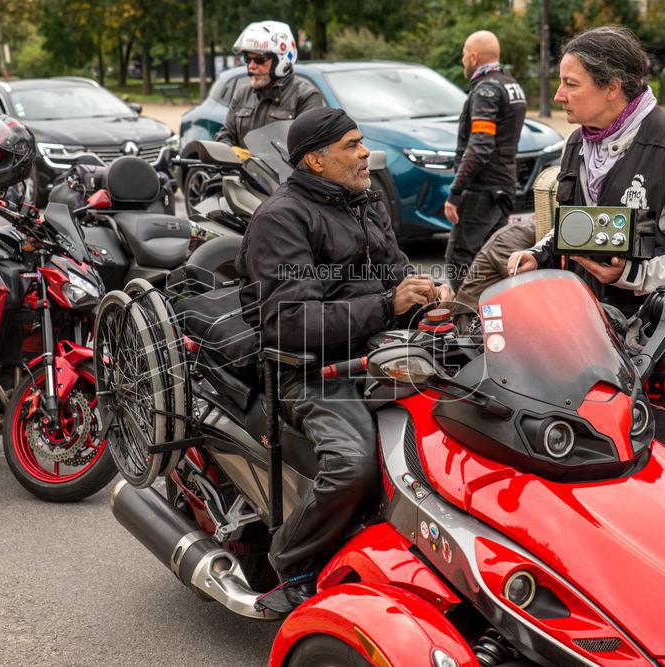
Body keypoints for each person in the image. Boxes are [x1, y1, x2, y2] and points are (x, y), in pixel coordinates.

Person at [237, 106, 452, 612]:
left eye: (362, 143)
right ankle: (290, 561)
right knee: (353, 465)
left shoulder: (363, 200)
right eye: (352, 145)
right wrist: (386, 305)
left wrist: (427, 292)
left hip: (383, 352)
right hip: (311, 368)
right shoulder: (282, 218)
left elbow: (396, 272)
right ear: (314, 160)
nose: (364, 154)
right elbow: (290, 321)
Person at [507, 26, 665, 454]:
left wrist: (633, 272)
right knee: (595, 457)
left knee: (656, 468)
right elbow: (580, 223)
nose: (558, 95)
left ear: (612, 87)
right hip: (588, 336)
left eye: (571, 84)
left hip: (659, 340)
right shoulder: (577, 143)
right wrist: (541, 253)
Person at [443, 30, 527, 291]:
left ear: (473, 57)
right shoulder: (511, 85)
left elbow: (480, 145)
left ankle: (462, 320)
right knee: (495, 256)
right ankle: (499, 313)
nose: (463, 61)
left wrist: (455, 192)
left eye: (463, 56)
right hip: (504, 185)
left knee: (459, 257)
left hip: (482, 190)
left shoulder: (486, 88)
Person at [214, 20, 324, 149]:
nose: (251, 66)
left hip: (283, 169)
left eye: (259, 60)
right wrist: (229, 151)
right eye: (248, 59)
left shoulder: (306, 96)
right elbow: (226, 135)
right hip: (243, 169)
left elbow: (308, 148)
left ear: (282, 60)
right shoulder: (242, 94)